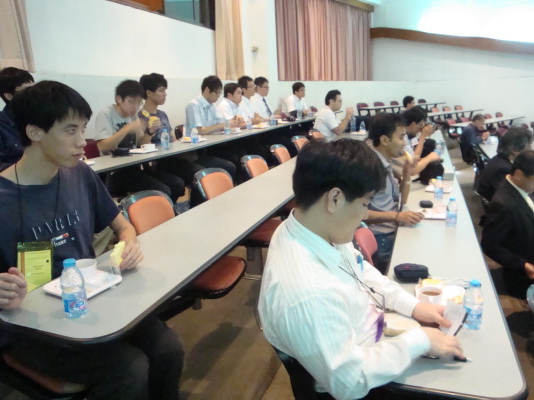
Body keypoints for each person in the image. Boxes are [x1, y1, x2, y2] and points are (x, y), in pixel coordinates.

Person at [0, 81, 184, 400]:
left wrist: (128, 243)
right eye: (70, 130)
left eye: (83, 129)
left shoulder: (79, 174)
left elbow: (123, 227)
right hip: (31, 327)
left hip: (91, 302)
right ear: (34, 132)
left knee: (168, 347)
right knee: (129, 369)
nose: (81, 142)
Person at [258, 139, 463, 400]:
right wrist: (419, 340)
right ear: (335, 198)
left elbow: (361, 270)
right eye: (365, 203)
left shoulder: (310, 227)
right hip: (364, 381)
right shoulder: (308, 292)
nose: (366, 215)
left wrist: (413, 306)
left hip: (374, 337)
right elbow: (350, 382)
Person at [95, 80, 184, 201]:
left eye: (139, 103)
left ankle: (165, 211)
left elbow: (142, 143)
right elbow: (103, 146)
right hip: (114, 174)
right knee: (162, 190)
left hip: (134, 167)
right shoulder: (106, 114)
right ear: (119, 99)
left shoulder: (133, 115)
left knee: (177, 184)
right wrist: (128, 128)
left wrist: (150, 131)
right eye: (132, 102)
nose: (136, 107)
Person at [364, 113, 423, 271]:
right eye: (401, 137)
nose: (404, 143)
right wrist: (397, 216)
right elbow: (358, 214)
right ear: (385, 140)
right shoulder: (371, 168)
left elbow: (402, 200)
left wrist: (407, 173)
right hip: (382, 239)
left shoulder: (386, 162)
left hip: (391, 231)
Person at [481, 150, 534, 298]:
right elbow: (489, 245)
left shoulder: (522, 187)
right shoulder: (503, 204)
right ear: (519, 174)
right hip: (524, 273)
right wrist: (523, 265)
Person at [184, 75, 237, 182]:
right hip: (197, 152)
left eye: (220, 93)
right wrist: (222, 125)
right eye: (217, 93)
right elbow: (199, 131)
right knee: (229, 165)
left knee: (235, 157)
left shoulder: (212, 106)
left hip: (211, 147)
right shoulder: (193, 105)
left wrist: (232, 122)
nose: (218, 96)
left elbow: (221, 124)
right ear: (207, 90)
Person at [477, 126, 533, 202]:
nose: (530, 151)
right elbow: (513, 197)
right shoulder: (503, 170)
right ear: (514, 150)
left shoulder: (499, 159)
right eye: (528, 149)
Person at [0, 67, 34, 172]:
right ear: (9, 96)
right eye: (27, 91)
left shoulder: (40, 117)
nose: (35, 95)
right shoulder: (2, 125)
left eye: (35, 89)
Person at [391, 106, 441, 177]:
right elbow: (413, 161)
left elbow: (413, 157)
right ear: (413, 124)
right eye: (421, 124)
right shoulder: (403, 136)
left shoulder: (408, 134)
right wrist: (423, 136)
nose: (422, 127)